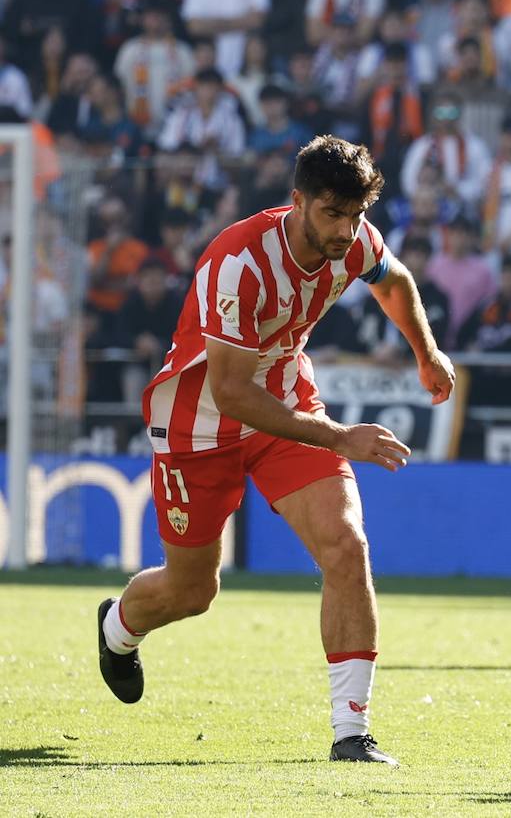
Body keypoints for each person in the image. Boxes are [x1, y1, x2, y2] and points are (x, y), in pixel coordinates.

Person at [96, 136, 456, 766]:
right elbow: (231, 391)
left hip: (287, 409)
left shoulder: (354, 239)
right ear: (298, 201)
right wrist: (342, 437)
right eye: (332, 214)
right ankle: (117, 628)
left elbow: (393, 280)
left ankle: (352, 732)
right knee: (191, 593)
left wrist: (427, 353)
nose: (346, 230)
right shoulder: (240, 263)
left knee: (346, 546)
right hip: (200, 425)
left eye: (356, 215)